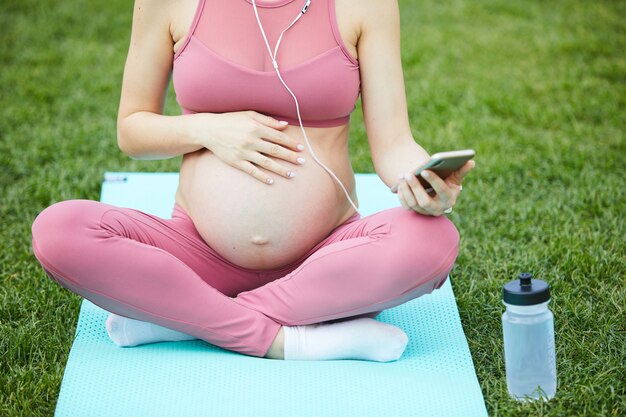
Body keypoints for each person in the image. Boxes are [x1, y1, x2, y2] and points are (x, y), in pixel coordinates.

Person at [31, 0, 474, 362]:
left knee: (432, 240)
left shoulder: (366, 5)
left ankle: (183, 319)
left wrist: (420, 181)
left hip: (327, 258)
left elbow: (394, 143)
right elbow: (132, 128)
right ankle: (294, 341)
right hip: (196, 252)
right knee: (60, 230)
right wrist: (207, 129)